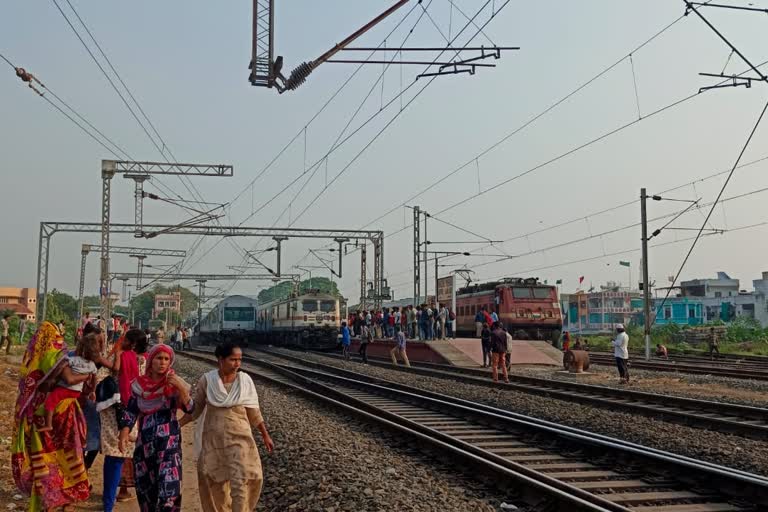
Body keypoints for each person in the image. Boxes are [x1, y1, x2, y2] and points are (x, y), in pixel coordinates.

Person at [179, 343, 273, 512]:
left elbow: (254, 412)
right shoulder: (207, 380)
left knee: (242, 480)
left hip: (240, 439)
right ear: (220, 360)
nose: (237, 364)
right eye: (233, 360)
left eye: (240, 360)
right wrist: (176, 425)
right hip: (213, 441)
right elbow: (197, 409)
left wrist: (265, 435)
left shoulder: (245, 381)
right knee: (215, 482)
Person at [12, 321, 91, 511]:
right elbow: (70, 379)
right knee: (69, 453)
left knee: (43, 459)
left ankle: (44, 501)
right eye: (58, 336)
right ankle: (67, 499)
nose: (60, 341)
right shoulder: (54, 355)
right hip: (61, 414)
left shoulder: (32, 360)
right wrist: (88, 376)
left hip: (37, 414)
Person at [118, 344, 193, 511]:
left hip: (169, 447)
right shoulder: (139, 386)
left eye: (166, 359)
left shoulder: (174, 384)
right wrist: (124, 433)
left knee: (169, 492)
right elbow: (131, 411)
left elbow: (190, 408)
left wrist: (181, 388)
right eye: (159, 358)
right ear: (151, 361)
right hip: (144, 447)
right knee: (147, 493)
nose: (163, 362)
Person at [99, 329, 142, 512]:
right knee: (124, 456)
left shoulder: (119, 354)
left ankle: (108, 504)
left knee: (113, 458)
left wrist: (112, 356)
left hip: (113, 408)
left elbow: (110, 372)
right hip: (132, 409)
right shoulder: (140, 360)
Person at [38, 334, 99, 432]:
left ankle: (48, 424)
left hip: (65, 389)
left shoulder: (73, 359)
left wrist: (52, 378)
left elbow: (61, 369)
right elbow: (95, 378)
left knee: (50, 401)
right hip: (77, 392)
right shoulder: (92, 365)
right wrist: (93, 390)